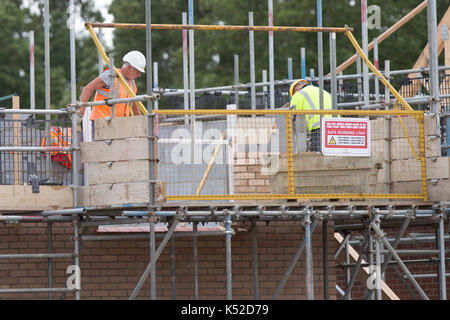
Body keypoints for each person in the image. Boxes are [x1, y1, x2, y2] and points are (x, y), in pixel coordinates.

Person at [78, 50, 146, 123]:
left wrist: (141, 121)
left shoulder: (132, 83)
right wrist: (80, 113)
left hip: (120, 124)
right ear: (129, 68)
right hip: (102, 123)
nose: (139, 75)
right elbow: (87, 89)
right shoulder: (111, 75)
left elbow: (133, 103)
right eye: (138, 71)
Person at [289, 79, 333, 152]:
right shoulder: (323, 91)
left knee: (318, 156)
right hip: (336, 125)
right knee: (334, 154)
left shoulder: (299, 94)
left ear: (296, 89)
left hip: (319, 128)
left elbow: (292, 117)